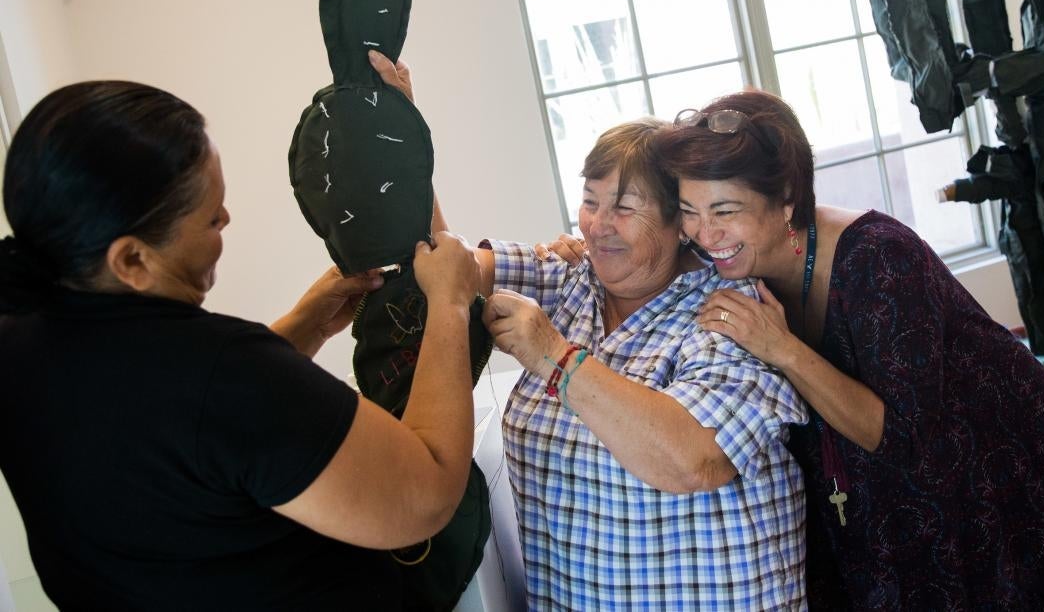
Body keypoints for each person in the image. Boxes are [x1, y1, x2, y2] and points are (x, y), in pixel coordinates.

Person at [0, 80, 482, 610]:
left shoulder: (22, 342)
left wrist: (304, 326)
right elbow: (425, 492)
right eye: (211, 217)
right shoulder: (222, 371)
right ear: (132, 261)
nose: (226, 220)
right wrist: (450, 304)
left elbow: (188, 427)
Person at [370, 49, 810, 610]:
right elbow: (447, 265)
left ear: (681, 223)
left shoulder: (734, 313)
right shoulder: (572, 279)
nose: (598, 225)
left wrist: (556, 357)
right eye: (589, 200)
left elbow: (694, 459)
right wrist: (406, 134)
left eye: (625, 207)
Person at [651, 90, 1044, 610]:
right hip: (892, 512)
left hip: (999, 489)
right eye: (690, 211)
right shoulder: (732, 260)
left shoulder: (880, 259)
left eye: (724, 210)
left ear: (787, 201)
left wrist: (784, 349)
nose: (704, 234)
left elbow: (904, 440)